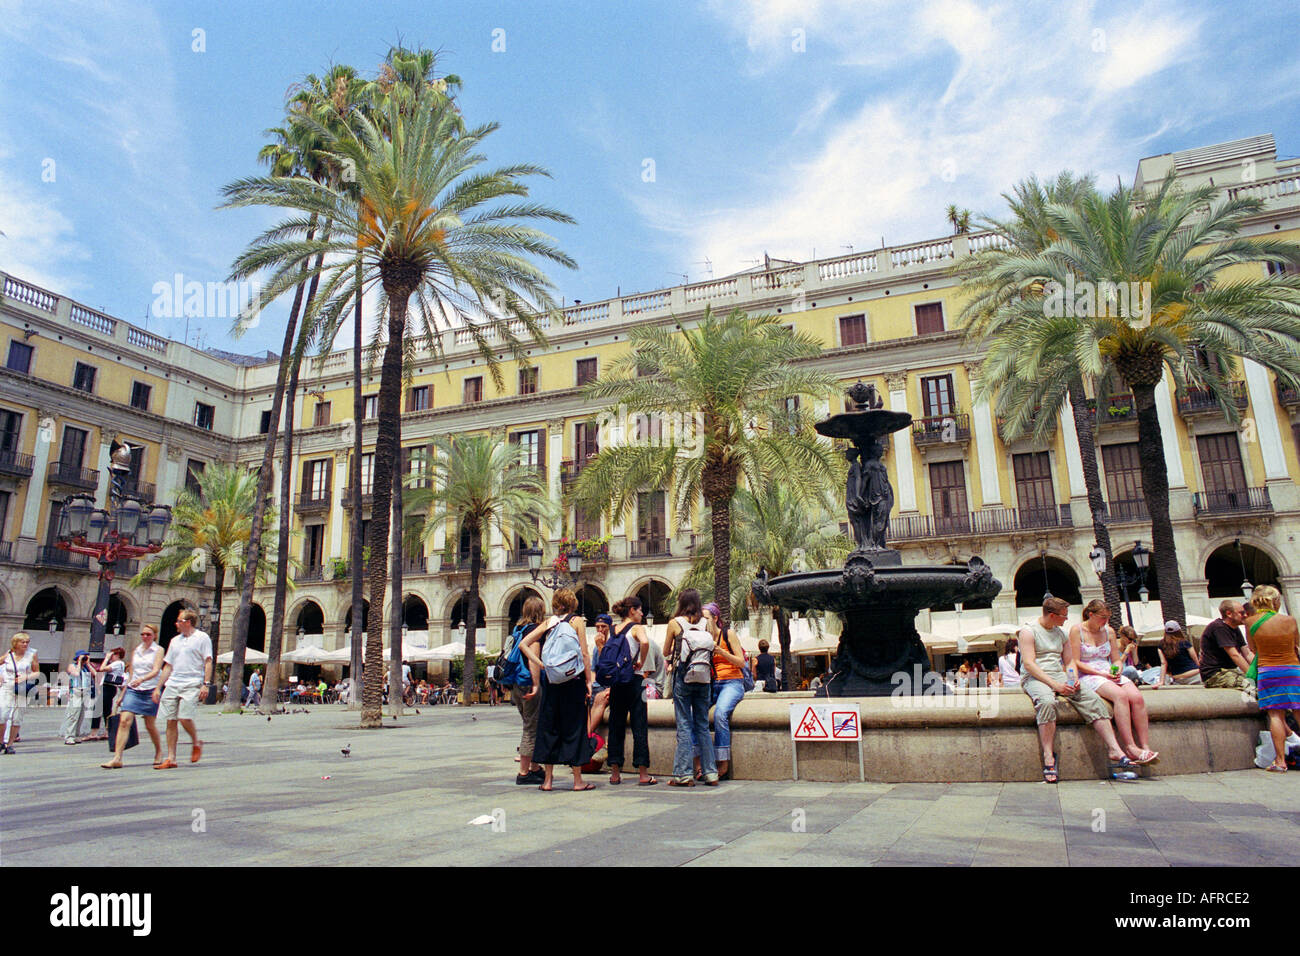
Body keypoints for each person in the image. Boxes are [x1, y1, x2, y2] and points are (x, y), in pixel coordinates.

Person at [1019, 597, 1138, 783]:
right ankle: (1049, 756)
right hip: (1035, 676)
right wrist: (1055, 685)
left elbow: (1069, 662)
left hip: (1058, 673)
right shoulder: (1028, 631)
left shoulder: (1061, 633)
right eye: (1064, 616)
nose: (1066, 619)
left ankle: (1115, 749)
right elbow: (1029, 664)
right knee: (1047, 702)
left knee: (1092, 698)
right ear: (1052, 615)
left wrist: (1072, 678)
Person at [519, 588, 597, 791]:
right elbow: (585, 653)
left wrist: (542, 664)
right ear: (572, 603)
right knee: (575, 727)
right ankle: (578, 781)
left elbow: (524, 645)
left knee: (549, 728)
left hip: (552, 682)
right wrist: (588, 681)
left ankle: (548, 781)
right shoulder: (576, 621)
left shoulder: (549, 622)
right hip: (573, 680)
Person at [1069, 600, 1158, 764]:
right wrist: (1101, 673)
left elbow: (1116, 660)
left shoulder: (1109, 632)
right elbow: (1075, 661)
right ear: (1091, 615)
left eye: (1108, 617)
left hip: (1108, 671)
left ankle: (1145, 746)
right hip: (1089, 673)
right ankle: (1130, 747)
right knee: (1120, 696)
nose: (1106, 621)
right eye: (1103, 617)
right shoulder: (1076, 630)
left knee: (1137, 698)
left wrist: (1116, 670)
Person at [663, 588, 718, 787]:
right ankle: (711, 773)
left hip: (683, 678)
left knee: (684, 725)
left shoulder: (674, 623)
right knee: (702, 725)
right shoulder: (707, 623)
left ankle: (683, 775)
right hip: (704, 679)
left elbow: (666, 651)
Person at [1243, 585, 1300, 772]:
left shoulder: (1251, 622)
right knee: (1299, 711)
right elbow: (1296, 644)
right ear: (1274, 600)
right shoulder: (1289, 620)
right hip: (1292, 669)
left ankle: (1280, 761)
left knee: (1275, 715)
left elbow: (1252, 649)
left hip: (1268, 670)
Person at [152, 608, 212, 769]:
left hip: (192, 682)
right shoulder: (174, 641)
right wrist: (158, 687)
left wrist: (206, 684)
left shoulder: (202, 638)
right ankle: (171, 758)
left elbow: (208, 661)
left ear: (187, 622)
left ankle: (196, 741)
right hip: (172, 683)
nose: (176, 623)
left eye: (179, 621)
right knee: (170, 721)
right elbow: (168, 665)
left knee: (184, 717)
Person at [605, 597, 655, 785]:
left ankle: (615, 773)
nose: (642, 614)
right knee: (639, 724)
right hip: (636, 680)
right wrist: (640, 661)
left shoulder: (614, 629)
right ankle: (643, 773)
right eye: (640, 610)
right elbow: (645, 643)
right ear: (632, 610)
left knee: (615, 724)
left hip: (617, 681)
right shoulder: (636, 627)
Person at [102, 624, 165, 769]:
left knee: (149, 725)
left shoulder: (158, 650)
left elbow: (156, 670)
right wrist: (122, 695)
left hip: (150, 689)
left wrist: (142, 680)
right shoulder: (136, 650)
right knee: (124, 721)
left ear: (154, 635)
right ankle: (117, 758)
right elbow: (131, 673)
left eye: (148, 634)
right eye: (142, 634)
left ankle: (159, 752)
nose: (144, 637)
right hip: (133, 689)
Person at [702, 602, 746, 780]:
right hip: (712, 683)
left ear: (715, 618)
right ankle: (700, 762)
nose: (702, 622)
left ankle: (723, 761)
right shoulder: (703, 639)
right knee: (696, 714)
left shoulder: (728, 634)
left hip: (732, 682)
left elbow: (741, 662)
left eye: (705, 618)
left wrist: (721, 651)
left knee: (720, 714)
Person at [506, 595, 546, 785]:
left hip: (516, 683)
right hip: (528, 681)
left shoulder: (517, 629)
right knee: (531, 728)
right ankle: (524, 773)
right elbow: (533, 658)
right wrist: (536, 684)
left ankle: (535, 767)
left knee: (532, 723)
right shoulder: (535, 631)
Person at [1199, 601, 1255, 692]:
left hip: (1230, 672)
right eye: (1241, 613)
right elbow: (1235, 655)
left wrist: (1260, 670)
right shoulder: (1219, 628)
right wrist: (1252, 675)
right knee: (1254, 687)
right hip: (1215, 675)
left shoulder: (1235, 628)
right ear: (1229, 613)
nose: (1245, 615)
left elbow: (1247, 653)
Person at [1, 632, 38, 753]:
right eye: (23, 642)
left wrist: (26, 677)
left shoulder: (32, 654)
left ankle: (10, 744)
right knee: (2, 716)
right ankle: (1, 742)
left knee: (17, 717)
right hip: (7, 687)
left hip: (22, 689)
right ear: (15, 643)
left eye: (27, 642)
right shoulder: (9, 654)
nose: (25, 644)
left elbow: (36, 672)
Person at [61, 651, 97, 745]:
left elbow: (95, 674)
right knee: (73, 715)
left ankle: (76, 735)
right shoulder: (72, 666)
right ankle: (69, 736)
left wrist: (88, 663)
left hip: (86, 692)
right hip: (76, 692)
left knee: (81, 716)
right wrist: (79, 662)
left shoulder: (86, 667)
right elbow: (76, 674)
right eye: (83, 657)